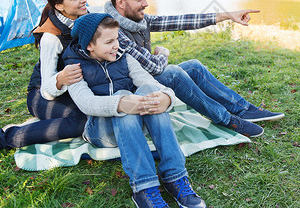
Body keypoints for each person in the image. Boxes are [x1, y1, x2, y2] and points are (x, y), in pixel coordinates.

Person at [104, 0, 285, 138]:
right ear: (120, 2)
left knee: (194, 66)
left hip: (149, 80)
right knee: (172, 73)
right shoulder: (113, 30)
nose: (146, 3)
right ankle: (227, 119)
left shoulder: (139, 20)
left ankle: (244, 110)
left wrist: (228, 15)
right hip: (132, 92)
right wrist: (164, 54)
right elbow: (155, 67)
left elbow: (181, 21)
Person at [62, 13, 206, 208]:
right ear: (90, 45)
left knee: (150, 91)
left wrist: (166, 98)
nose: (117, 45)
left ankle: (175, 176)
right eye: (109, 41)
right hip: (100, 131)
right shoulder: (73, 67)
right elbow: (86, 103)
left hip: (133, 126)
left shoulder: (125, 58)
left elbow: (150, 83)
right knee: (123, 94)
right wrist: (121, 102)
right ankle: (144, 188)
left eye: (117, 39)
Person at [0, 0, 88, 168]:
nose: (83, 0)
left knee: (92, 115)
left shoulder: (85, 21)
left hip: (72, 92)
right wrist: (61, 79)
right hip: (41, 94)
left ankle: (31, 127)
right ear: (60, 6)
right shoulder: (50, 38)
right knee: (78, 122)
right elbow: (46, 90)